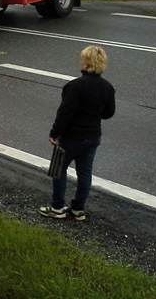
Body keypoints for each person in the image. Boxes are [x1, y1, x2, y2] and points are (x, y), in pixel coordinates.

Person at [39, 45, 116, 221]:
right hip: (93, 137)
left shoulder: (75, 86)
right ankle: (77, 209)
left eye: (82, 60)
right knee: (85, 173)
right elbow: (108, 113)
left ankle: (57, 206)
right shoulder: (107, 87)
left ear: (86, 64)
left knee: (59, 169)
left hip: (71, 137)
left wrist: (54, 133)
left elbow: (65, 113)